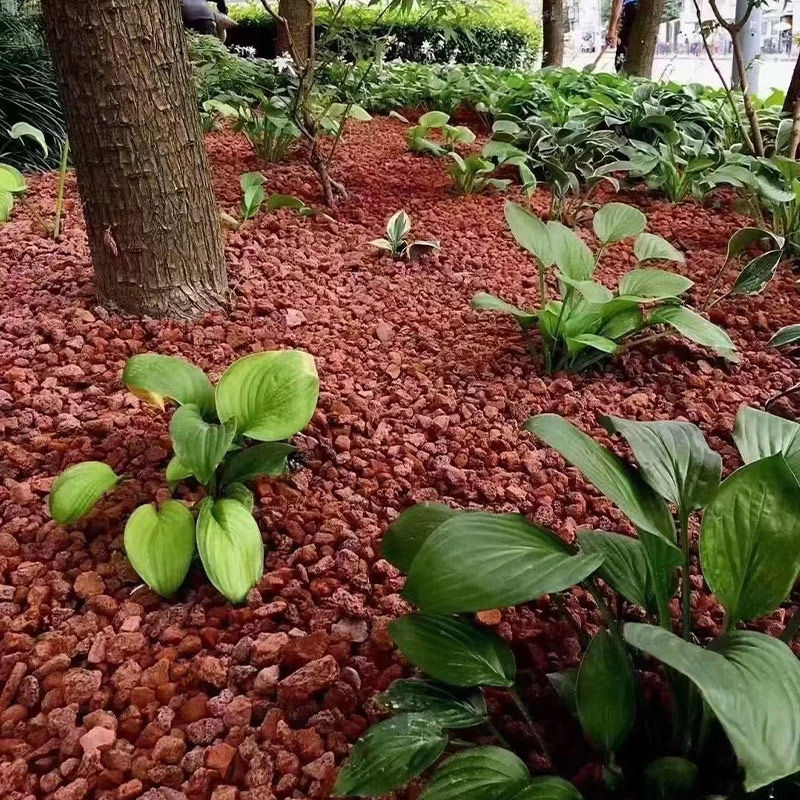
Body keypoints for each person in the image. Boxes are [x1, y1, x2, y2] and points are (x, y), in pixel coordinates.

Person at [615, 0, 639, 72]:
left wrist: (612, 29)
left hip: (631, 8)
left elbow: (617, 2)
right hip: (638, 9)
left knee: (623, 46)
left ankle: (620, 70)